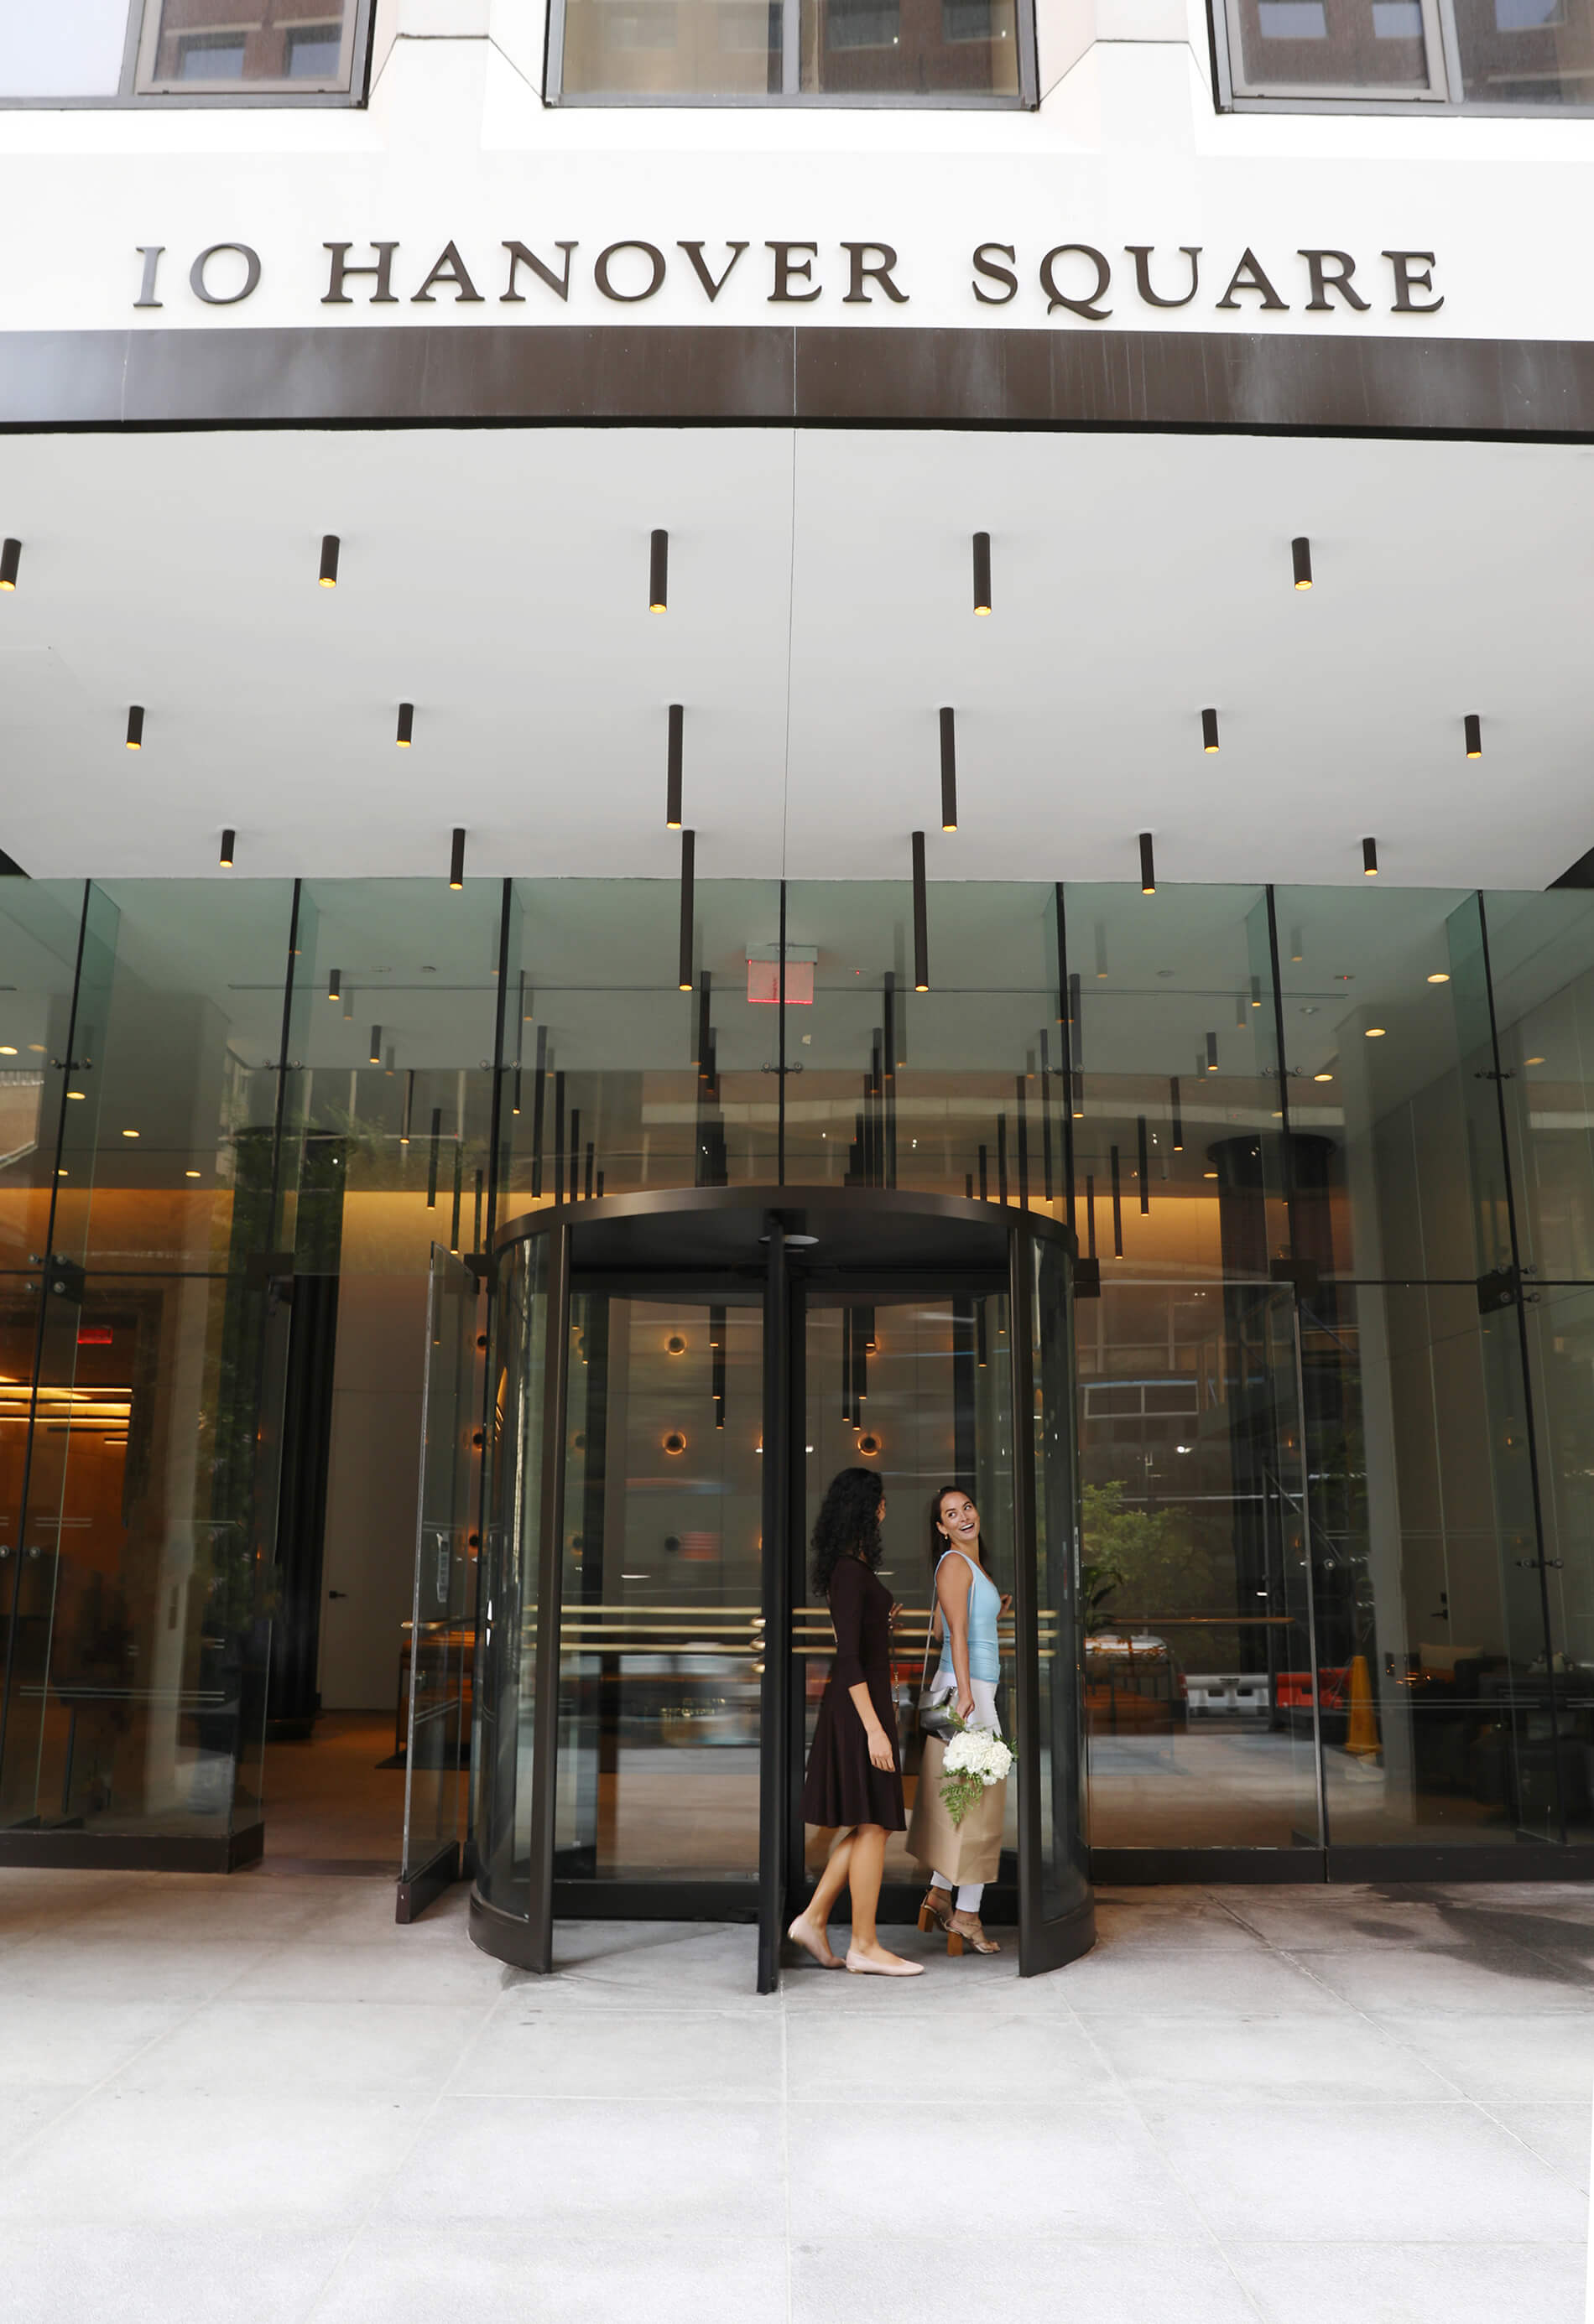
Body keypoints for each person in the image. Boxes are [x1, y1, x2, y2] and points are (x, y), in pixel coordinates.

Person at [788, 1466, 925, 1978]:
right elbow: (847, 1659)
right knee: (874, 1823)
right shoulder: (849, 1572)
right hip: (857, 1711)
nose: (886, 1508)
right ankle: (863, 1945)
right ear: (865, 1509)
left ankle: (814, 1919)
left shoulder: (853, 1570)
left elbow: (860, 1643)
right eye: (880, 1501)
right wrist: (873, 1729)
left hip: (861, 1708)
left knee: (870, 1823)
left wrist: (882, 1619)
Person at [909, 1484, 1008, 1957]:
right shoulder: (953, 1563)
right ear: (941, 1527)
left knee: (965, 1799)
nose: (964, 1516)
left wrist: (992, 1607)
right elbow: (957, 1635)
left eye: (967, 1506)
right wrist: (967, 1692)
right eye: (952, 1513)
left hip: (972, 1686)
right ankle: (966, 1914)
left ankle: (940, 1892)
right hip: (969, 1691)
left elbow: (940, 1626)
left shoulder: (968, 1566)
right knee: (981, 1800)